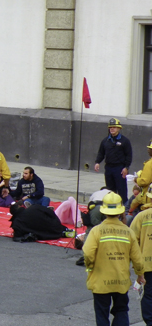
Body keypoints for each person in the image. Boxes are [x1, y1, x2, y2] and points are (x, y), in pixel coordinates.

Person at [83, 192, 145, 326]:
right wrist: (140, 275)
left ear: (103, 211)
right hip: (121, 281)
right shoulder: (128, 232)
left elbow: (88, 253)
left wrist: (90, 266)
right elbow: (137, 259)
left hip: (100, 282)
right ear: (121, 211)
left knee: (101, 313)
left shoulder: (96, 231)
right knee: (121, 310)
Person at [94, 118, 133, 204]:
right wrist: (97, 162)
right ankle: (112, 209)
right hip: (108, 168)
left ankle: (124, 209)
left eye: (114, 127)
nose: (112, 129)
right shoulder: (105, 141)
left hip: (119, 168)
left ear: (119, 128)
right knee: (110, 191)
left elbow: (129, 155)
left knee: (122, 190)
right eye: (110, 127)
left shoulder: (124, 141)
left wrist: (126, 167)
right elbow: (101, 153)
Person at [130, 186, 152, 326]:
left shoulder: (142, 216)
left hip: (147, 263)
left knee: (149, 294)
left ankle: (150, 321)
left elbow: (132, 240)